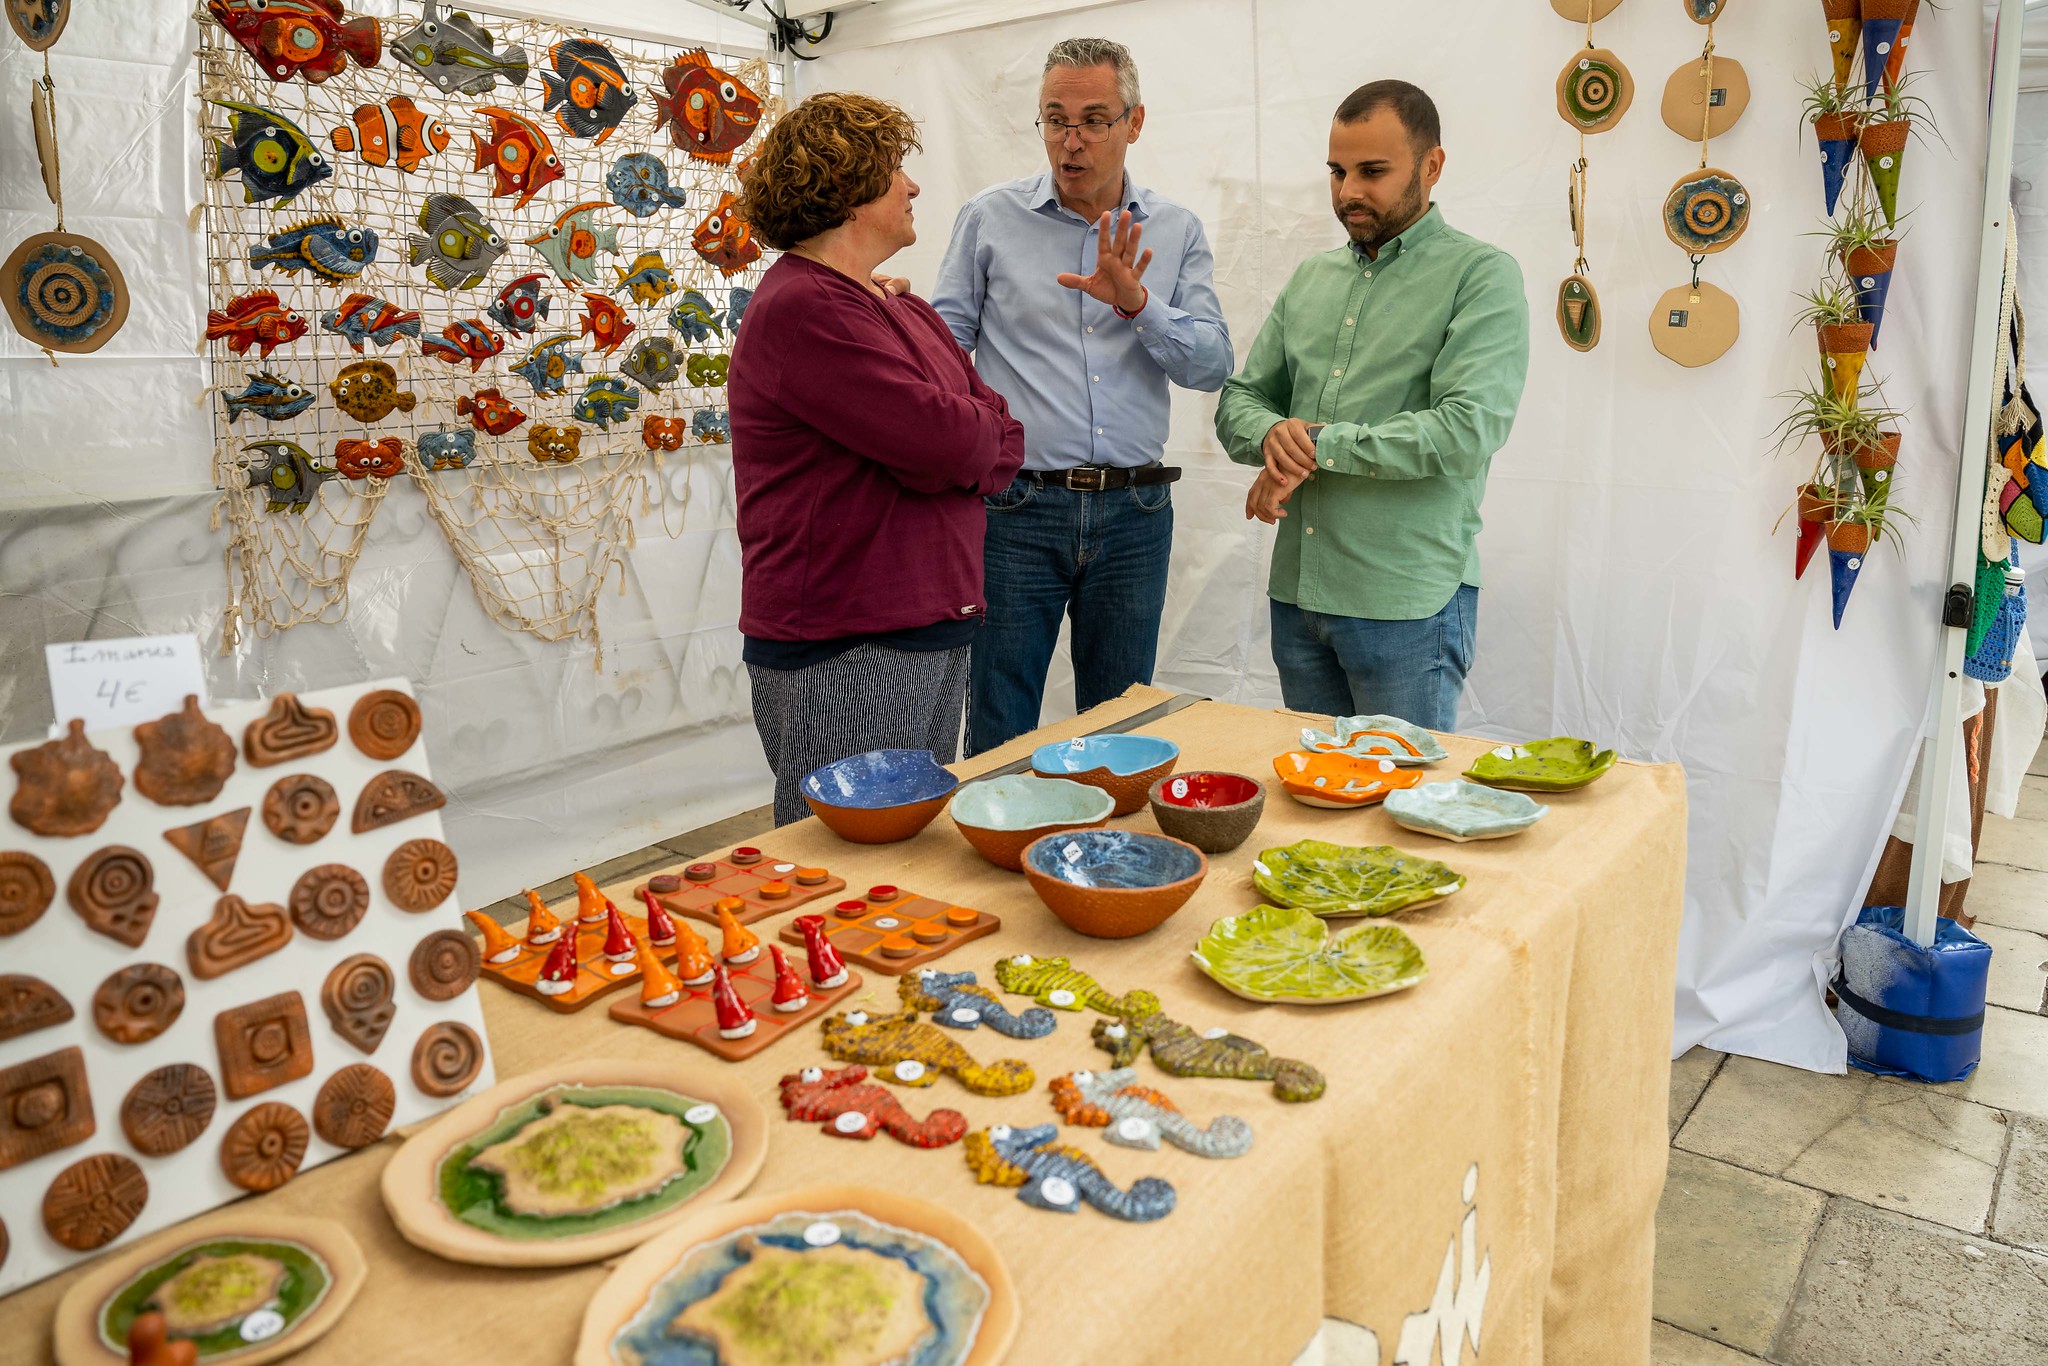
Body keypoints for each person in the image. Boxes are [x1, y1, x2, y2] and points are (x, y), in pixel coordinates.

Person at [729, 92, 1026, 825]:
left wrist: (962, 438)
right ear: (849, 187)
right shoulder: (805, 308)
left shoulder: (900, 308)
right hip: (849, 640)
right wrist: (962, 438)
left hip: (926, 623)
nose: (913, 185)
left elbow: (1004, 437)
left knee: (908, 850)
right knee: (845, 861)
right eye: (895, 168)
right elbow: (951, 441)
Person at [933, 37, 1231, 757]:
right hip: (1017, 511)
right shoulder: (989, 218)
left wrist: (1138, 305)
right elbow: (943, 346)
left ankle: (1109, 864)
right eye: (1055, 119)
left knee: (1121, 726)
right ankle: (995, 858)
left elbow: (1213, 365)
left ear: (1135, 122)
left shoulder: (1176, 229)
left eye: (1095, 119)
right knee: (1000, 719)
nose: (1072, 142)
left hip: (1135, 512)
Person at [1215, 80, 1529, 732]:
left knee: (1402, 813)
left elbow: (1466, 430)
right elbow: (1242, 400)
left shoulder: (1482, 276)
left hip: (1407, 606)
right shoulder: (1311, 279)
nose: (1348, 191)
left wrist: (1313, 443)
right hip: (1297, 599)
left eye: (1372, 171)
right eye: (1337, 171)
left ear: (1432, 166)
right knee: (1314, 809)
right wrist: (1278, 434)